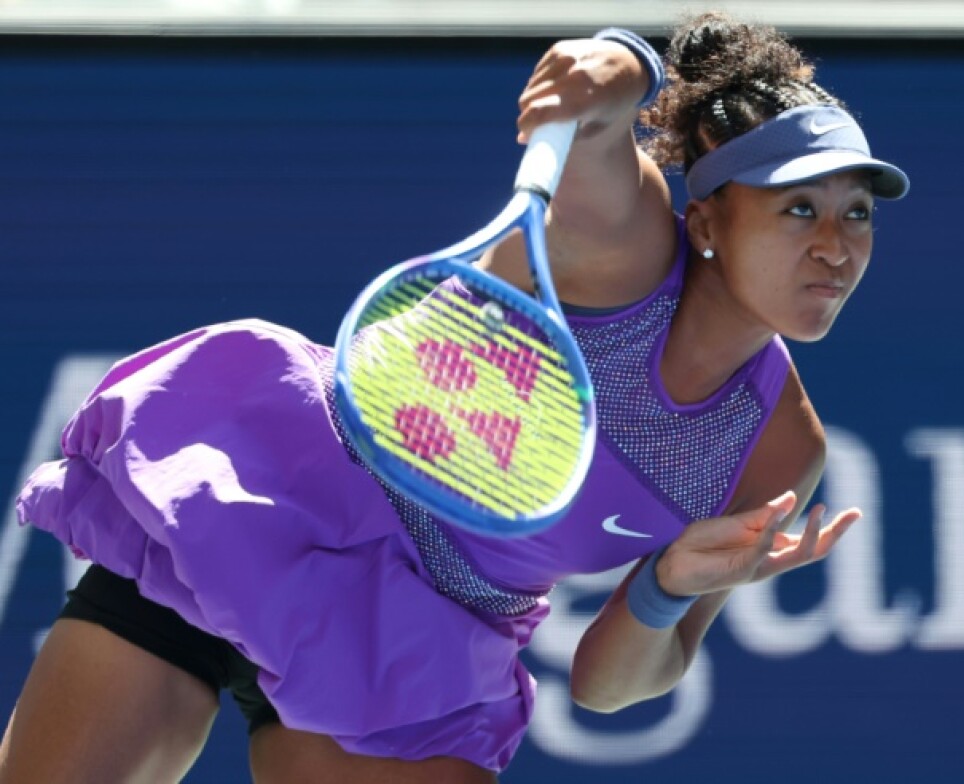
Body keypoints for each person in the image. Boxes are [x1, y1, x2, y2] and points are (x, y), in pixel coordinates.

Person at [0, 11, 908, 784]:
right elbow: (594, 119)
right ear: (705, 220)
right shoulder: (622, 250)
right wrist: (625, 60)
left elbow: (606, 686)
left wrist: (668, 588)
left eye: (857, 212)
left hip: (414, 659)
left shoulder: (780, 450)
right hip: (258, 524)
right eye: (799, 208)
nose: (835, 247)